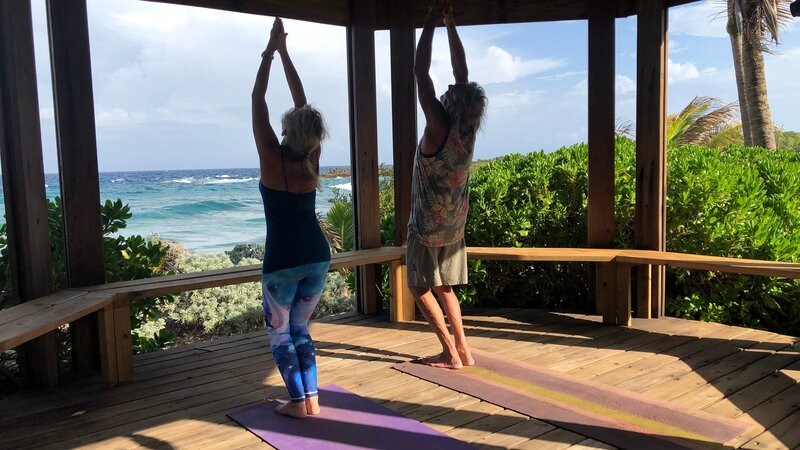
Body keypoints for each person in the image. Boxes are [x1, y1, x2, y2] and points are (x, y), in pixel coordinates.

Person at [252, 17, 331, 418]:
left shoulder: (272, 156)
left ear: (286, 129)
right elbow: (302, 104)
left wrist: (269, 52)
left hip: (282, 262)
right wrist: (286, 53)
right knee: (300, 330)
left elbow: (257, 99)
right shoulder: (311, 159)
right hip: (317, 256)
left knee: (280, 334)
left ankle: (299, 403)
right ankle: (311, 398)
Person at [409, 0, 487, 370]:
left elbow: (419, 70)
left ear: (449, 102)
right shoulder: (468, 127)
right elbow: (462, 73)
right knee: (445, 287)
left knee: (419, 287)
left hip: (426, 226)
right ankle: (465, 351)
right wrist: (450, 23)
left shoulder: (438, 123)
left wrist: (428, 22)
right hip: (454, 222)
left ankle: (449, 353)